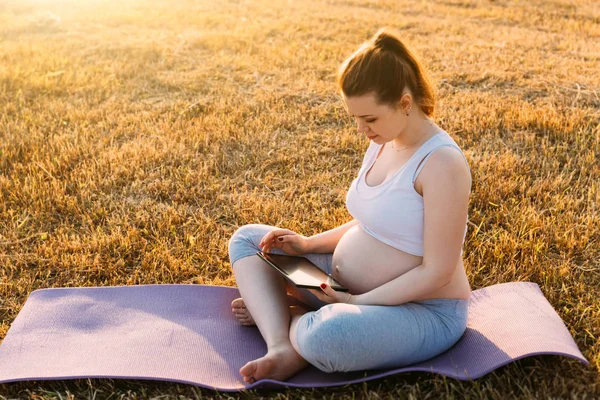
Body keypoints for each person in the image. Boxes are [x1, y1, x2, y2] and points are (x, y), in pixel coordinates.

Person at [227, 26, 472, 384]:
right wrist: (308, 244)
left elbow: (438, 271)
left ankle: (287, 311)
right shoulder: (385, 138)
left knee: (328, 338)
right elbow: (374, 223)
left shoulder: (442, 165)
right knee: (249, 239)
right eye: (355, 117)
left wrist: (357, 305)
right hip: (345, 288)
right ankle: (282, 344)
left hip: (420, 311)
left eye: (369, 118)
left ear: (405, 103)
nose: (361, 129)